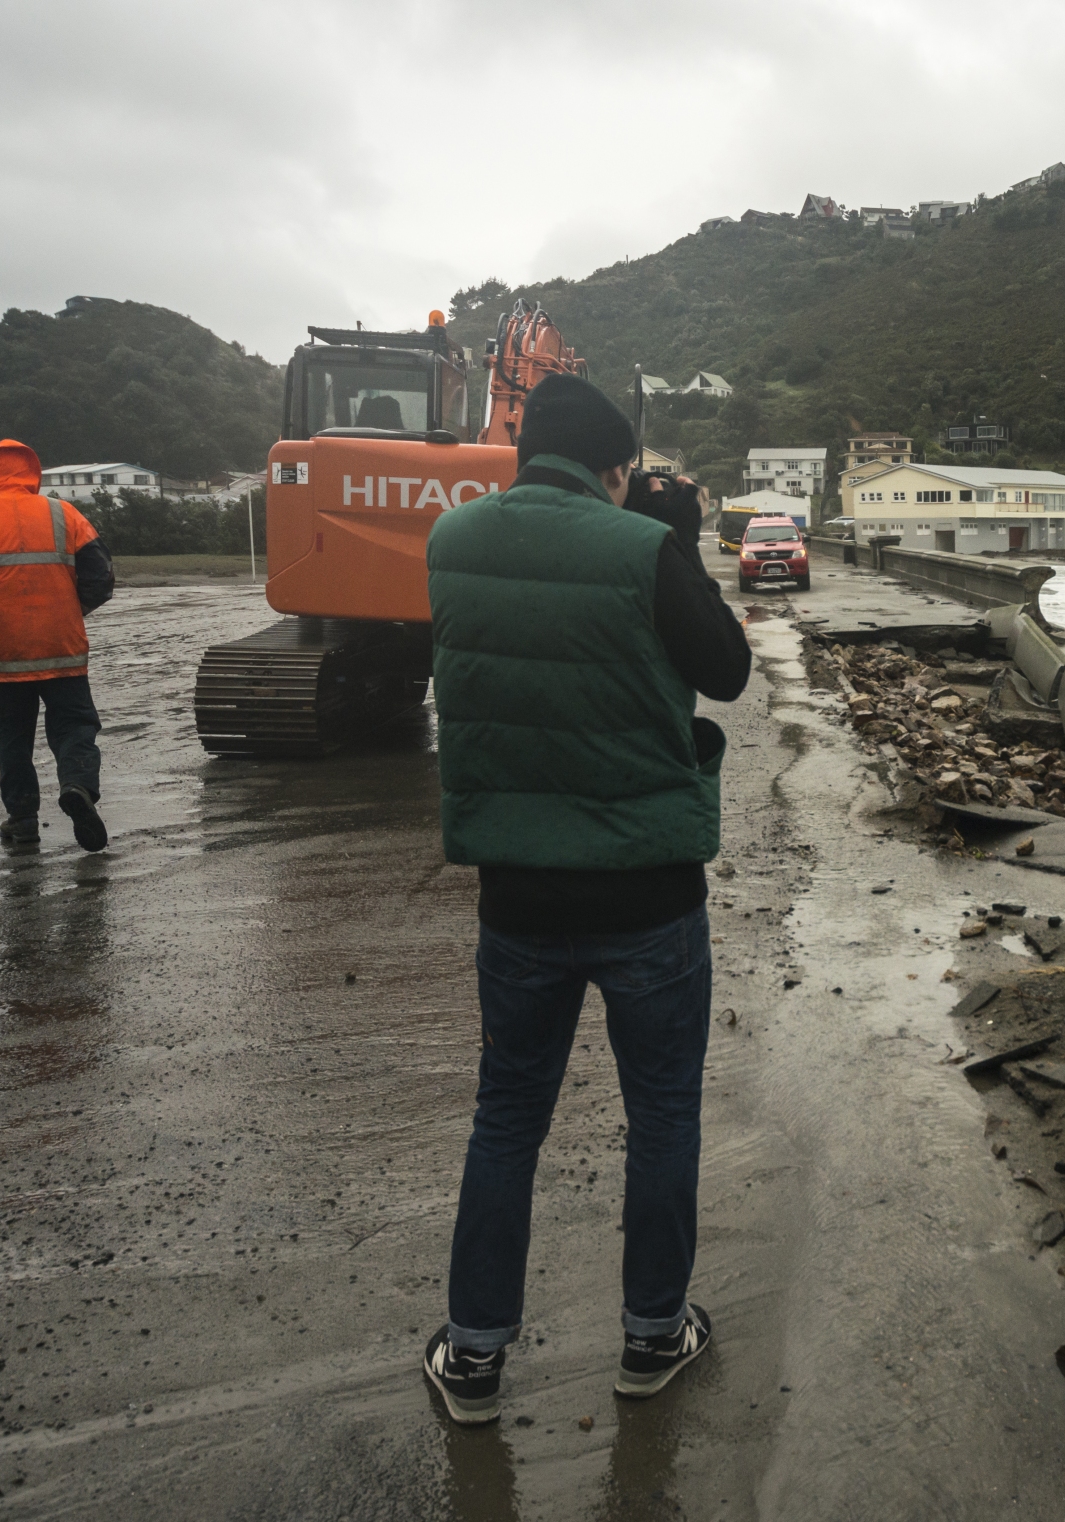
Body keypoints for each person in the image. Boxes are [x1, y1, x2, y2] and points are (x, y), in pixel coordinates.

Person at [419, 374, 750, 1425]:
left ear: (526, 458)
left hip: (517, 897)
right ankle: (653, 1336)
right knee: (662, 1116)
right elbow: (728, 670)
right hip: (649, 895)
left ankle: (474, 1356)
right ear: (615, 470)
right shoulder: (644, 548)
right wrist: (675, 541)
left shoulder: (451, 541)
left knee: (507, 1119)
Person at [0, 439, 115, 851]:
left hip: (1, 652)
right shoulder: (64, 514)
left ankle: (24, 820)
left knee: (10, 737)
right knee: (75, 725)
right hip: (61, 645)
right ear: (34, 472)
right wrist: (72, 611)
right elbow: (101, 576)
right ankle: (78, 785)